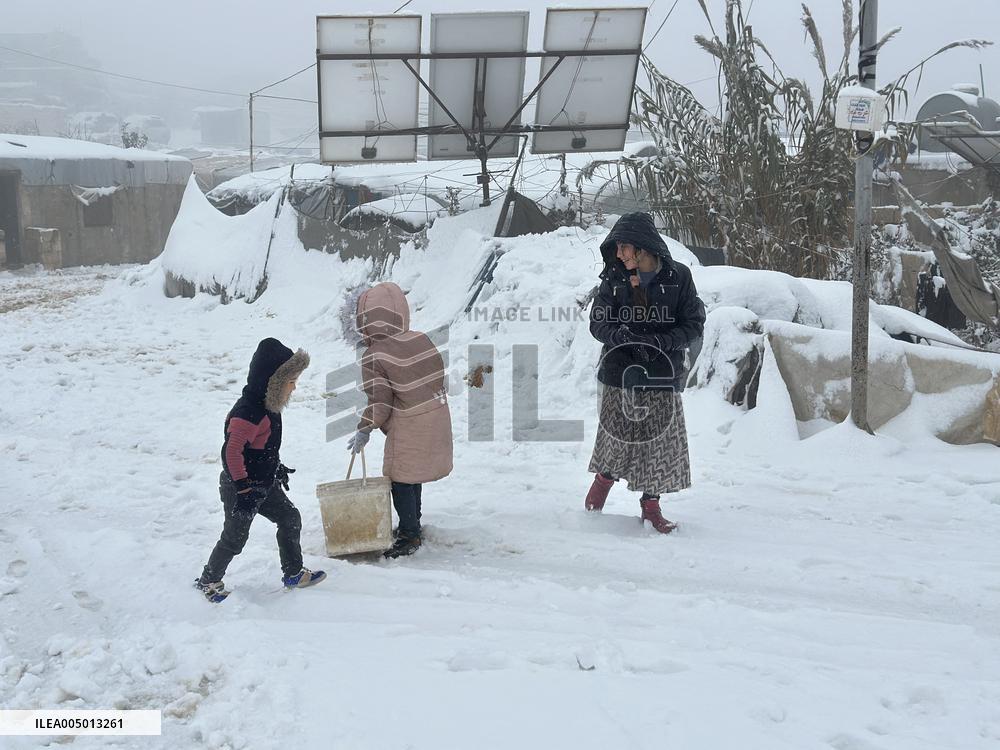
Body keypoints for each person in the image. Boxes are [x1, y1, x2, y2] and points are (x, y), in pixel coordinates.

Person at [584, 212, 706, 533]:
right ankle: (601, 486)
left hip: (662, 374)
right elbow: (598, 323)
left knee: (660, 446)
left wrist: (661, 342)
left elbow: (693, 323)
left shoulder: (678, 277)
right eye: (617, 247)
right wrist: (621, 337)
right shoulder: (614, 278)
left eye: (624, 247)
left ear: (642, 246)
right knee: (616, 440)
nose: (619, 253)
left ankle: (651, 508)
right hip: (620, 373)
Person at [195, 338, 325, 602]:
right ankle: (208, 580)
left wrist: (274, 466)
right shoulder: (248, 413)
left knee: (289, 518)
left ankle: (293, 572)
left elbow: (262, 447)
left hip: (263, 484)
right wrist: (243, 490)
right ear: (272, 383)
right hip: (240, 487)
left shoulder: (269, 406)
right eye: (291, 381)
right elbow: (232, 453)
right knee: (234, 539)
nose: (294, 386)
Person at [348, 282, 453, 558]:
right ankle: (413, 523)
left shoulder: (374, 356)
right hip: (437, 415)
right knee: (412, 473)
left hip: (409, 423)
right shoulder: (421, 339)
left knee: (399, 477)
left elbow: (380, 403)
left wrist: (364, 428)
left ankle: (409, 534)